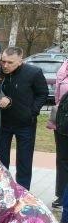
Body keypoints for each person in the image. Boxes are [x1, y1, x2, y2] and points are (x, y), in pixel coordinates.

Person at [0, 47, 49, 190]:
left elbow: (42, 93)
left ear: (20, 60)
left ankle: (23, 191)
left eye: (10, 62)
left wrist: (32, 112)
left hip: (25, 124)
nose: (5, 65)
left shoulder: (33, 73)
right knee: (0, 159)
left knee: (24, 160)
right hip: (3, 122)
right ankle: (2, 189)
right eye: (3, 61)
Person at [50, 56, 68, 210]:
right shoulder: (63, 69)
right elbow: (58, 97)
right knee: (62, 159)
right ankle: (61, 195)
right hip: (62, 123)